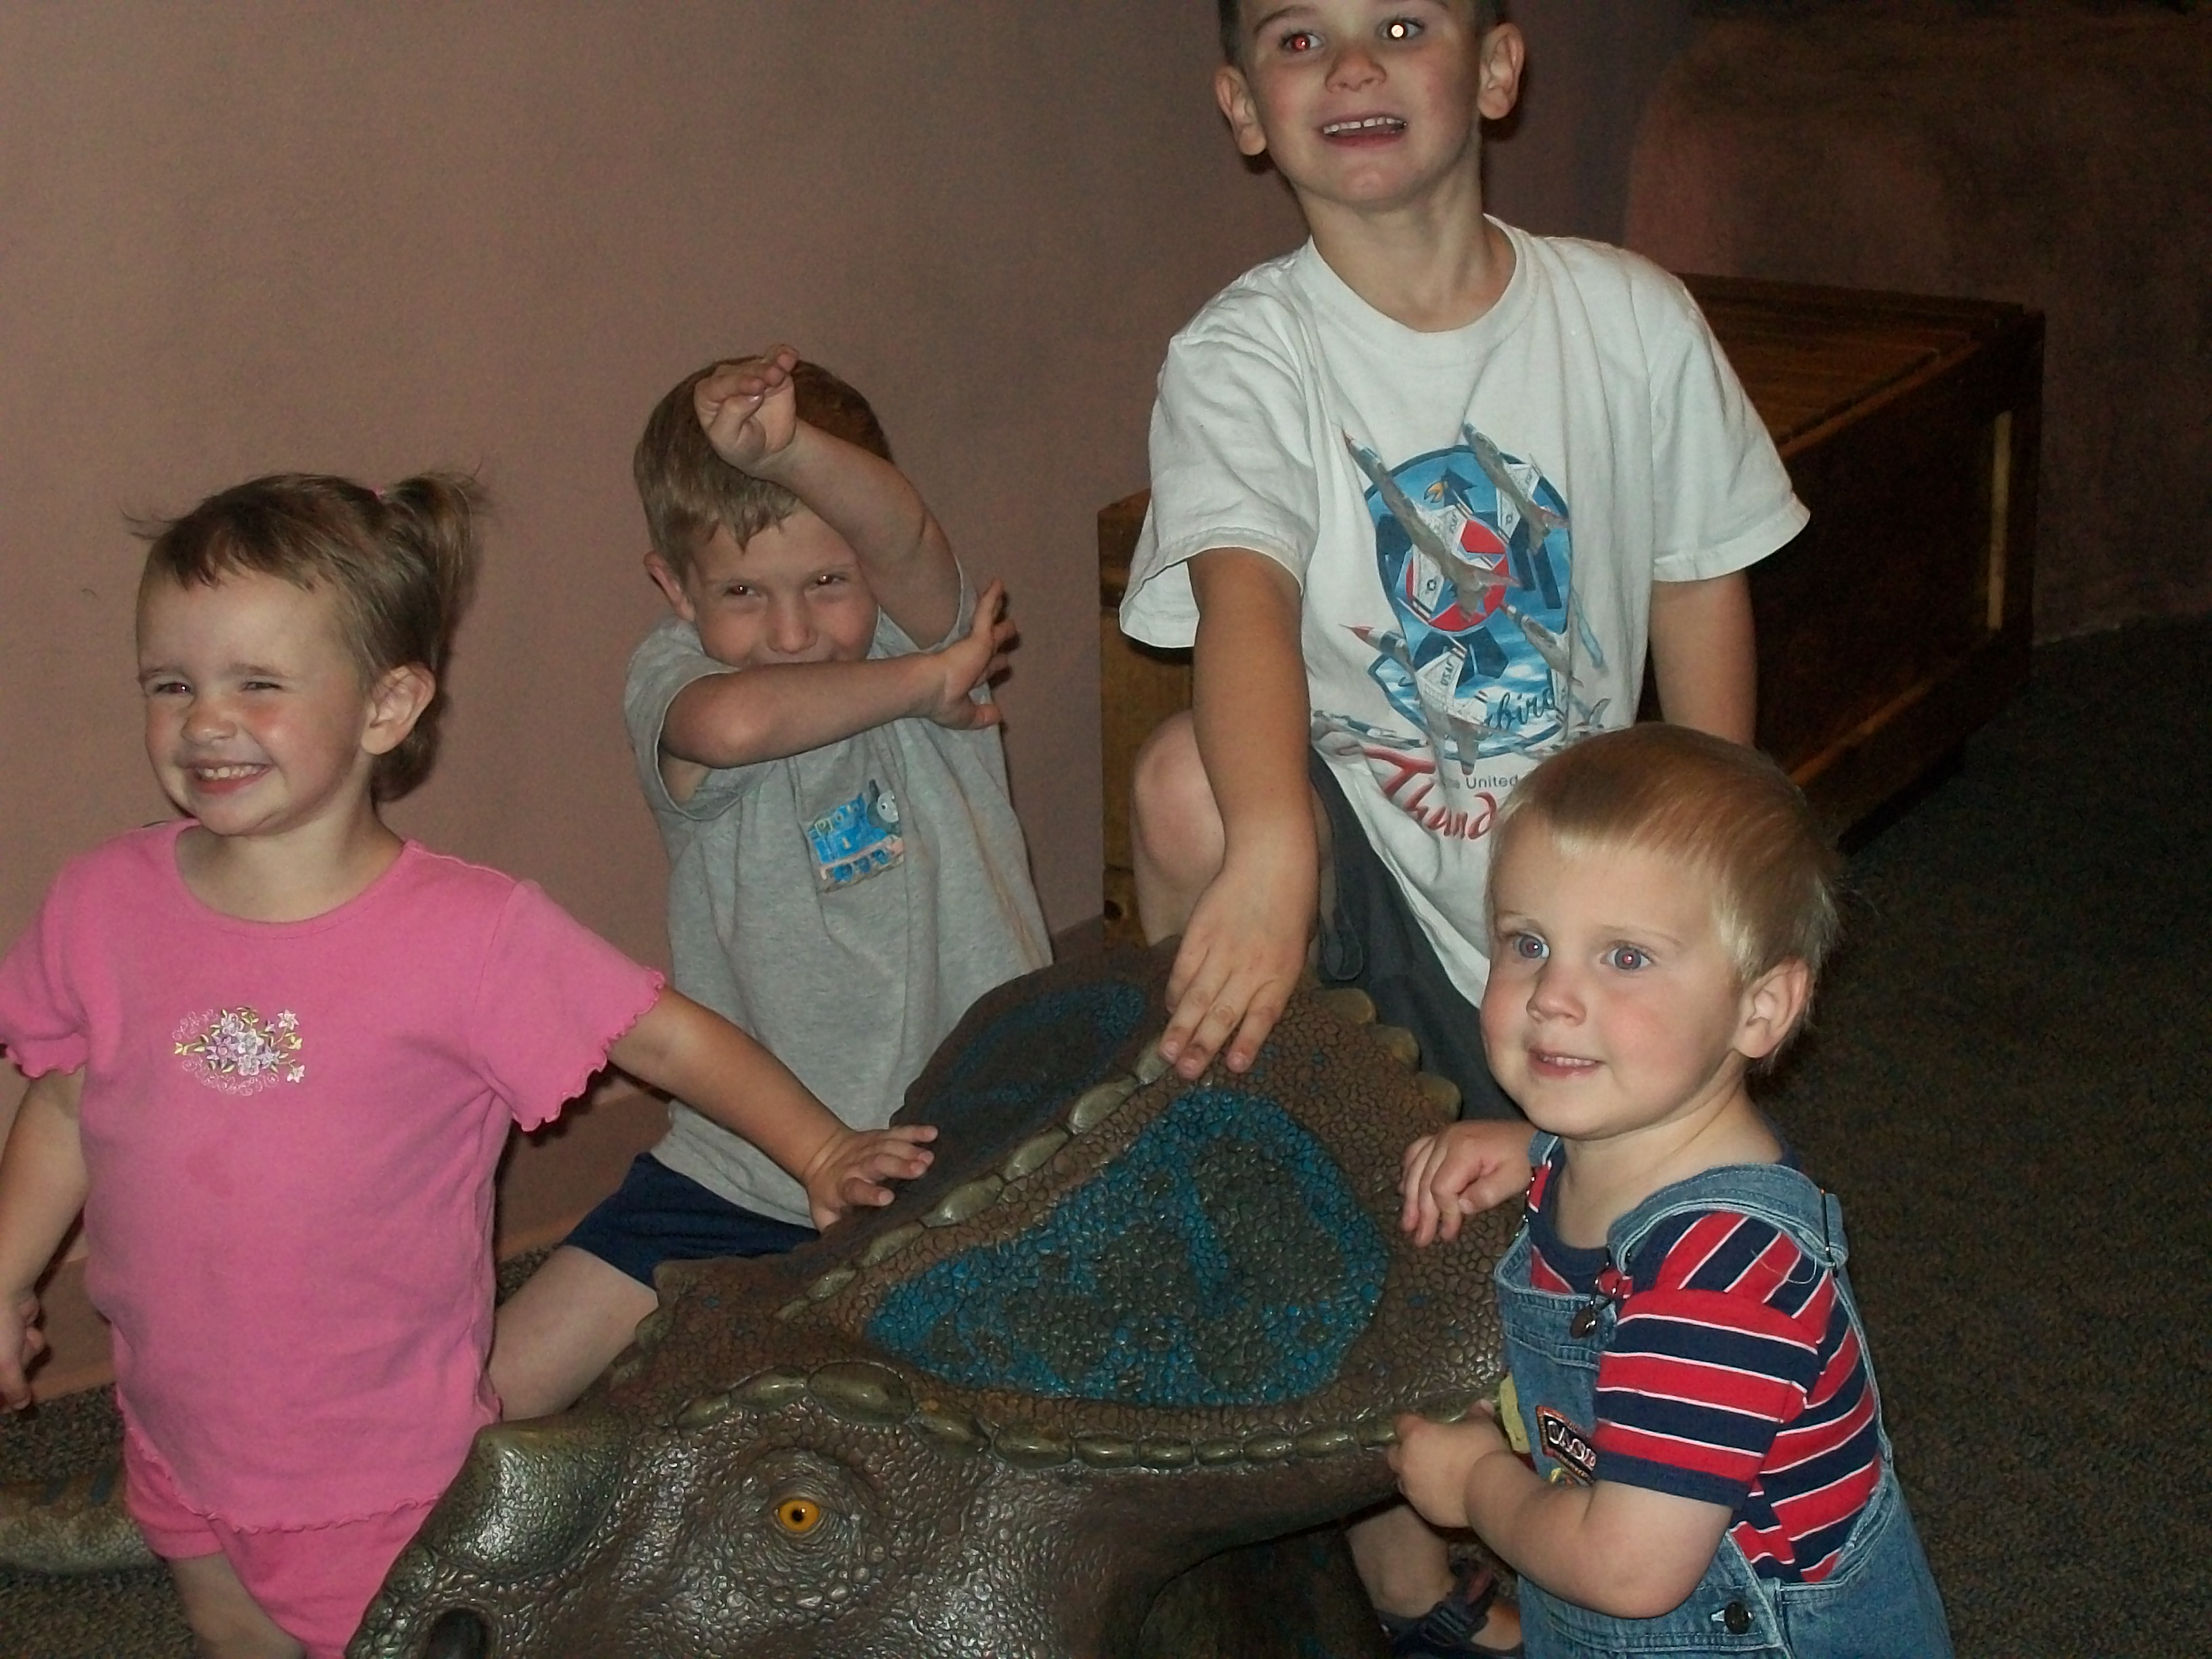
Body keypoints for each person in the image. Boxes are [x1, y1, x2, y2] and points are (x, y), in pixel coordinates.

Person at [1116, 1, 1809, 1645]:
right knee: (1186, 788)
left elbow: (1697, 585)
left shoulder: (1628, 318)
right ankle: (1263, 1194)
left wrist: (1717, 878)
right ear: (1243, 105)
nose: (1352, 69)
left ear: (1495, 70)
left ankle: (1555, 1471)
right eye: (1300, 38)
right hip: (1374, 887)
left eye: (1401, 23)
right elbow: (1240, 601)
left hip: (1568, 904)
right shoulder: (1242, 354)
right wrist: (1271, 853)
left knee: (1618, 1268)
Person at [0, 474, 936, 1659]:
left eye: (258, 685)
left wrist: (821, 1148)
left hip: (376, 1466)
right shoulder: (103, 903)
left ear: (388, 707)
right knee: (228, 1627)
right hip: (176, 1421)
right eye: (171, 684)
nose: (205, 722)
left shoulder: (471, 935)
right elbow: (67, 1102)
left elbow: (663, 1034)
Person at [489, 348, 1050, 1420]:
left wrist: (789, 450)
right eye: (742, 593)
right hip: (746, 1166)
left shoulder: (919, 629)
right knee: (486, 1396)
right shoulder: (680, 681)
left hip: (981, 1147)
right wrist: (927, 684)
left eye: (828, 583)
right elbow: (738, 726)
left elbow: (907, 538)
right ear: (674, 588)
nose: (792, 634)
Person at [1391, 724, 1952, 1658]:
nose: (1552, 995)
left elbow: (1630, 1571)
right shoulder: (1632, 1144)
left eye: (1626, 957)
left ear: (1759, 1010)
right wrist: (1538, 1150)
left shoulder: (1719, 1278)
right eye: (1528, 942)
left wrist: (1479, 1485)